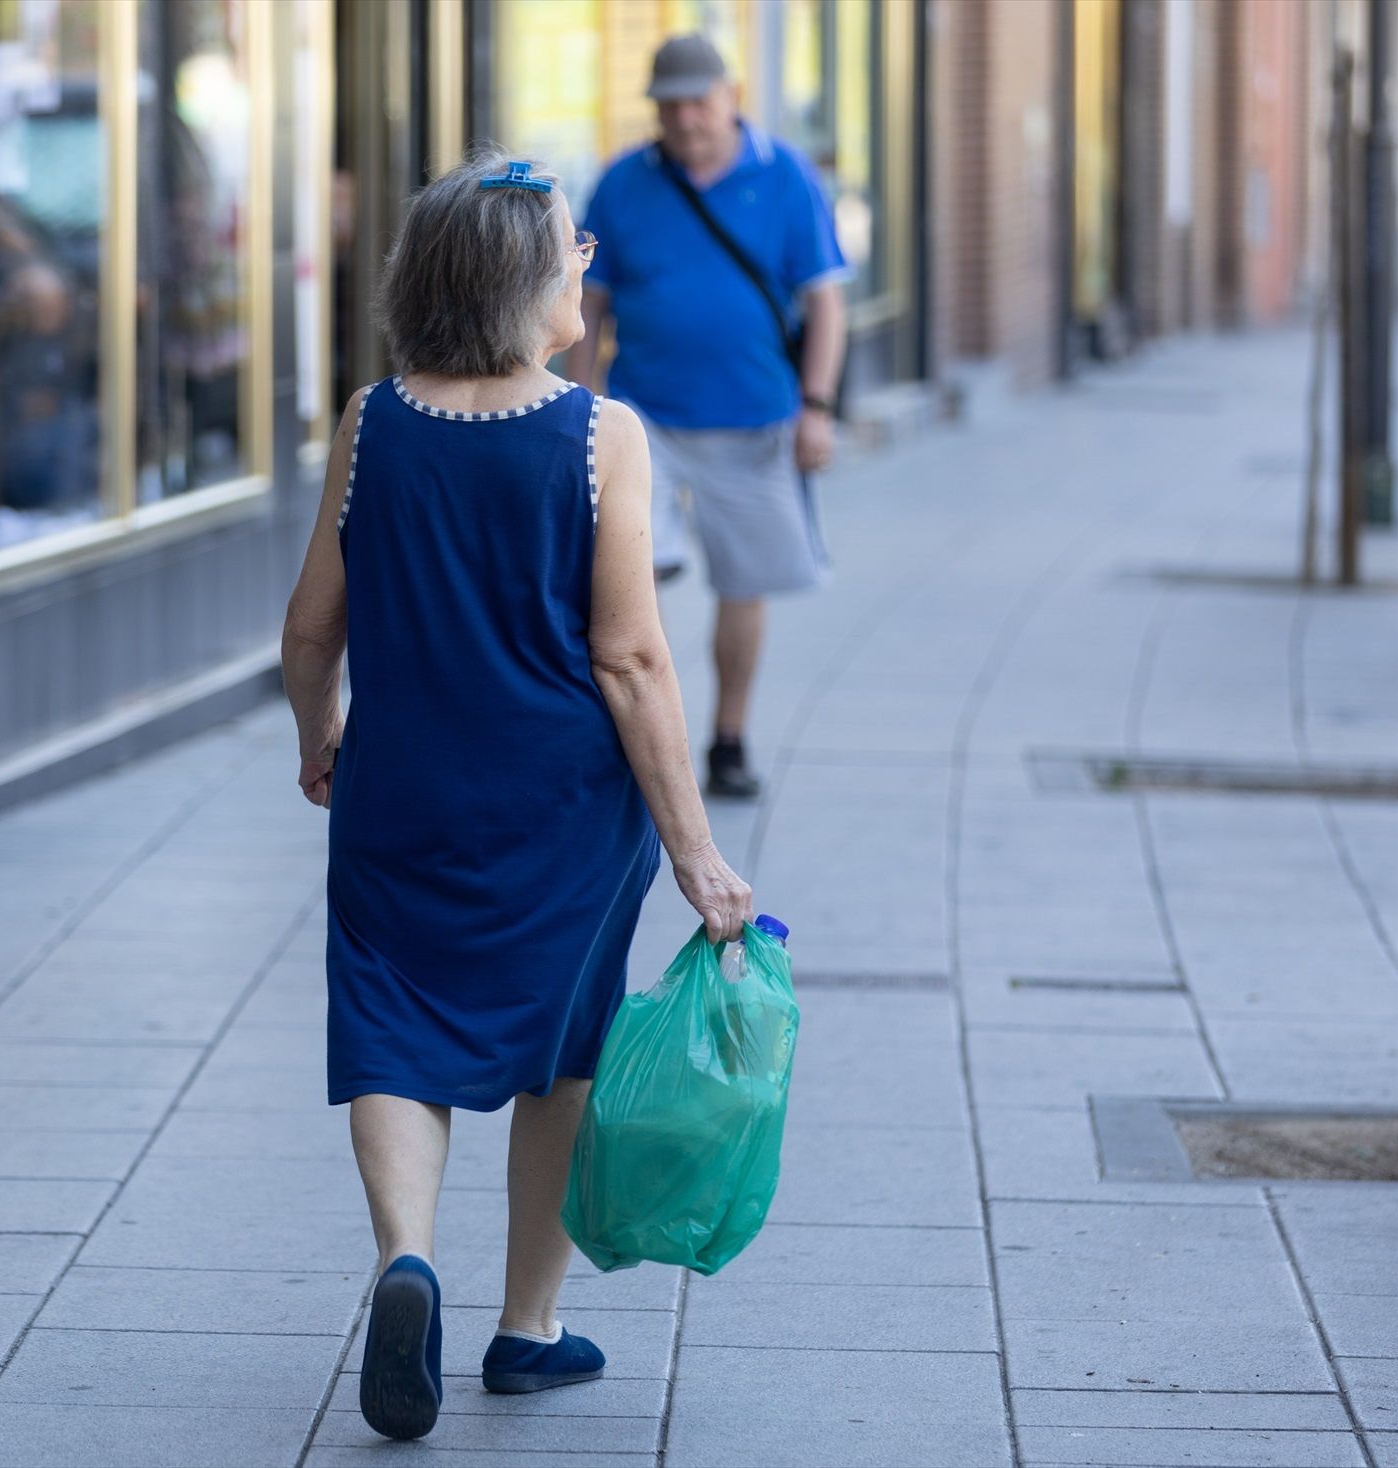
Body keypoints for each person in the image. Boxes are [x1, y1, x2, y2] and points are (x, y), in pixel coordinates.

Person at [281, 148, 752, 1442]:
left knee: (389, 1021)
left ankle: (405, 1262)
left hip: (402, 787)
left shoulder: (372, 421)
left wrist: (317, 733)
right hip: (562, 811)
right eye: (570, 250)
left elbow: (312, 627)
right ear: (522, 282)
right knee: (563, 1046)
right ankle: (526, 1330)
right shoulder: (601, 436)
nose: (586, 269)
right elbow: (635, 656)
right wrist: (699, 851)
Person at [565, 34, 850, 800]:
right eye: (670, 106)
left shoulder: (784, 175)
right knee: (628, 575)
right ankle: (640, 733)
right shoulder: (625, 182)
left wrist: (817, 408)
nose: (685, 119)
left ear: (730, 98)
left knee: (742, 582)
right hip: (641, 417)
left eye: (699, 101)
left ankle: (727, 738)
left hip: (755, 417)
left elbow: (825, 302)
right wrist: (580, 405)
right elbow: (587, 303)